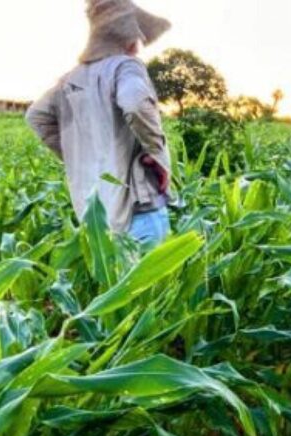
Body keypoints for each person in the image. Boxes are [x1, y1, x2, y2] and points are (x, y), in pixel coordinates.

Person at [26, 0, 173, 249]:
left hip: (96, 220)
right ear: (129, 36)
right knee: (155, 287)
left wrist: (83, 158)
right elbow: (135, 102)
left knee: (113, 287)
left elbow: (36, 116)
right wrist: (157, 154)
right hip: (138, 213)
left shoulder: (71, 78)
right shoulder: (126, 66)